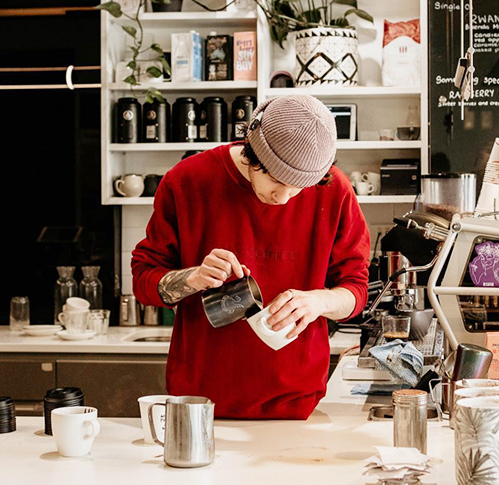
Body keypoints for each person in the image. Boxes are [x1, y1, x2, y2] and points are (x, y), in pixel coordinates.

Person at [131, 95, 370, 420]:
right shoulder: (188, 182)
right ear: (252, 150)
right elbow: (144, 281)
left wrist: (318, 302)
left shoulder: (336, 191)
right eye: (276, 180)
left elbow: (355, 290)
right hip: (199, 406)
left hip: (297, 404)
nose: (284, 198)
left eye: (299, 186)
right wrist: (193, 278)